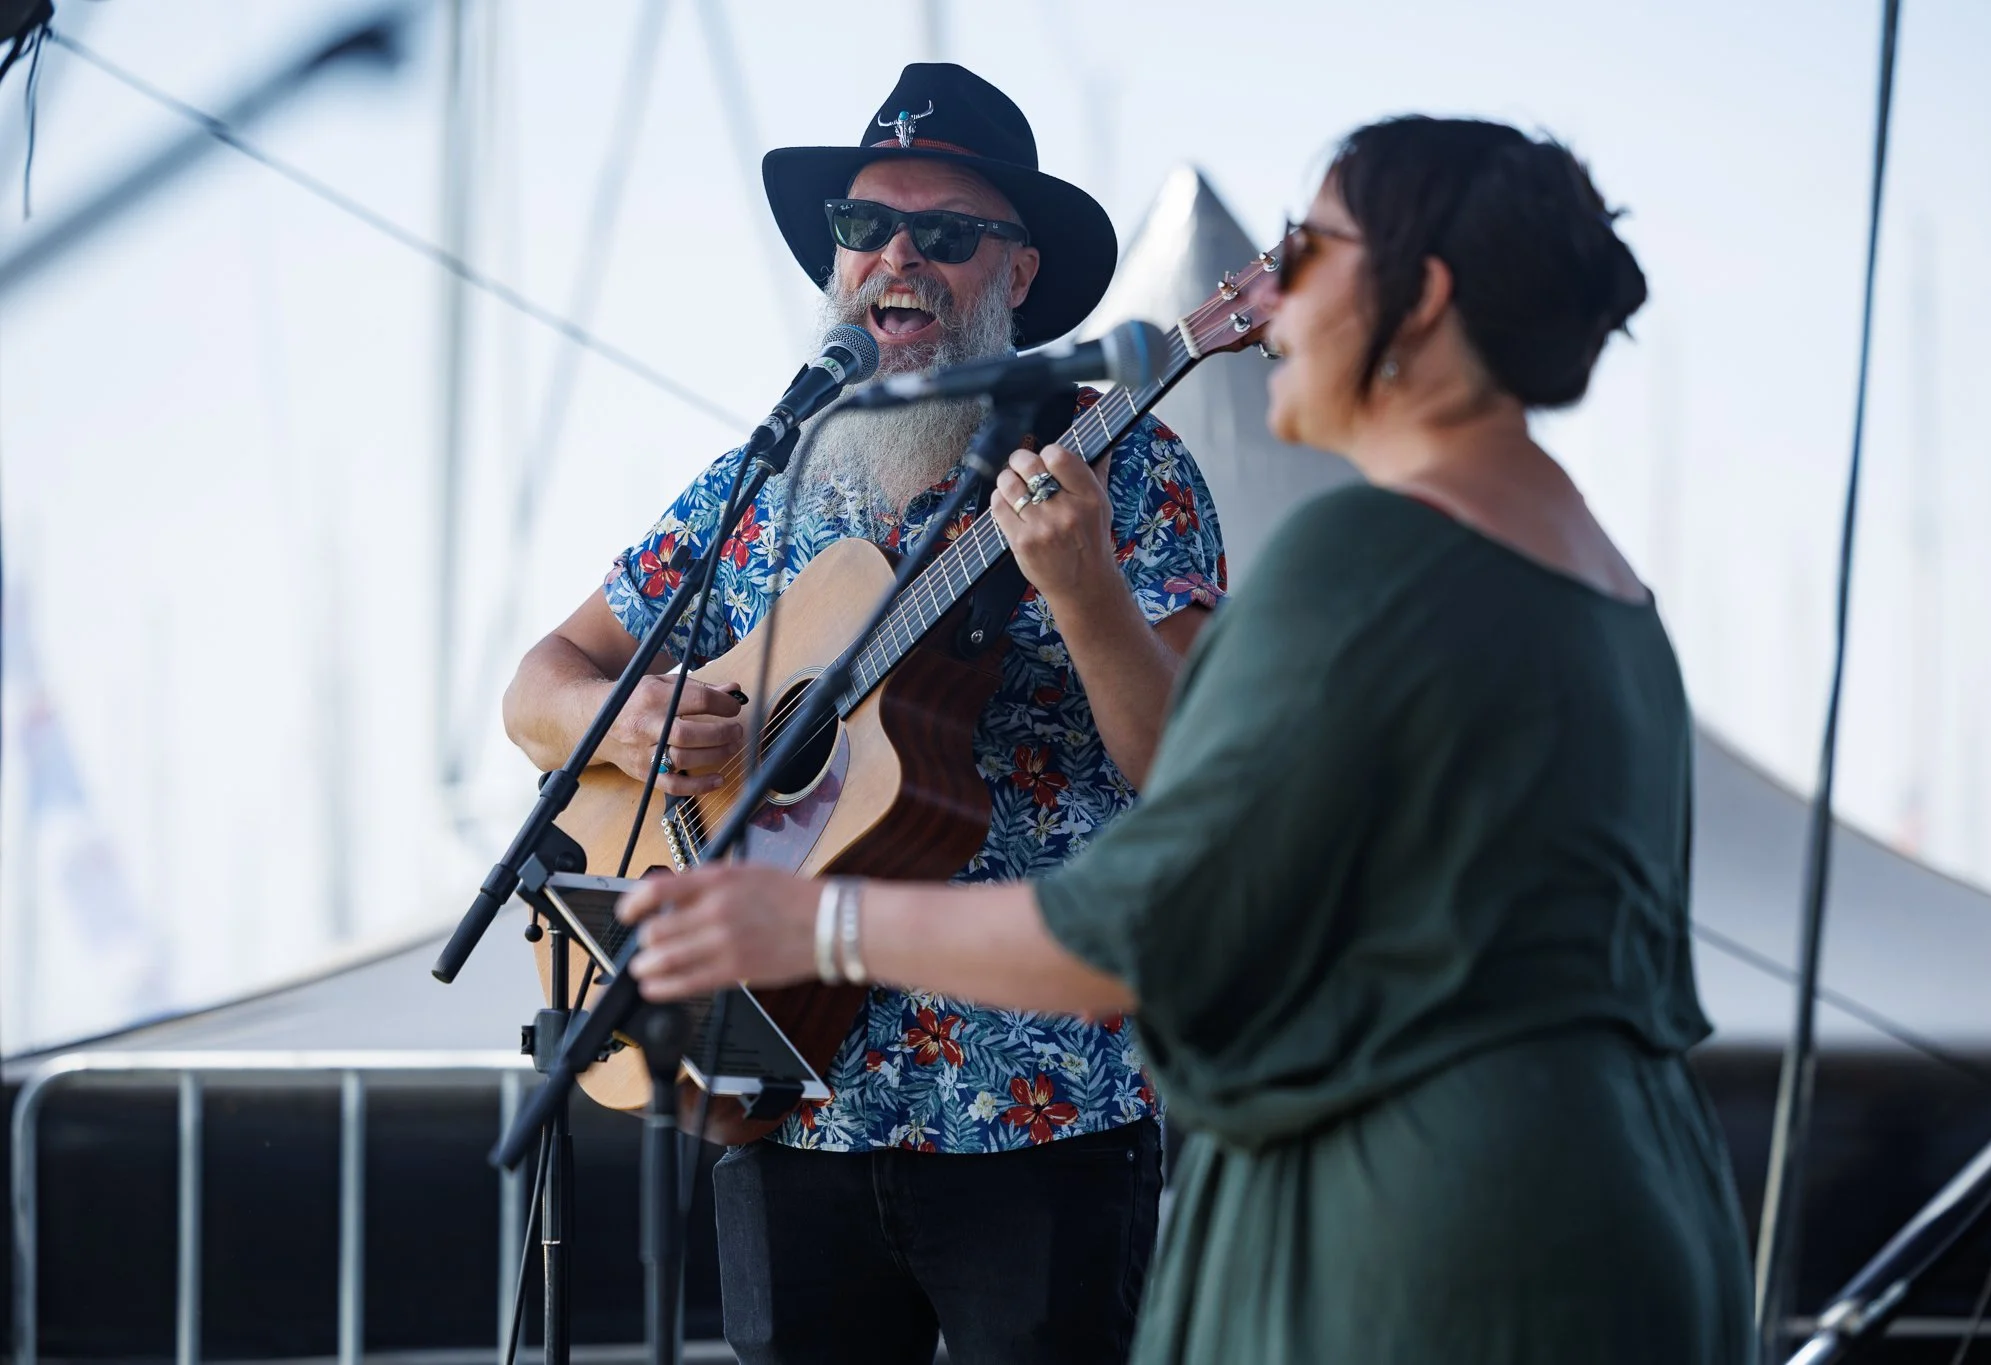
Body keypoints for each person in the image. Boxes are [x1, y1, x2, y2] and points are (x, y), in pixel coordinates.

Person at [616, 114, 1759, 1364]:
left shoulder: (1367, 549)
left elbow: (1158, 923)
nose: (1267, 296)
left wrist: (806, 923)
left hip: (1441, 1228)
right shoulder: (1599, 579)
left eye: (1303, 250)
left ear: (1420, 301)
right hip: (1639, 1198)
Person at [501, 63, 1225, 1365]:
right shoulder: (767, 476)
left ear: (1019, 270)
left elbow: (1188, 770)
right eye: (864, 227)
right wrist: (639, 722)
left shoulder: (1124, 466)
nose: (897, 257)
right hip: (783, 1093)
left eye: (944, 234)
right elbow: (540, 683)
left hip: (1033, 1107)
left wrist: (1083, 583)